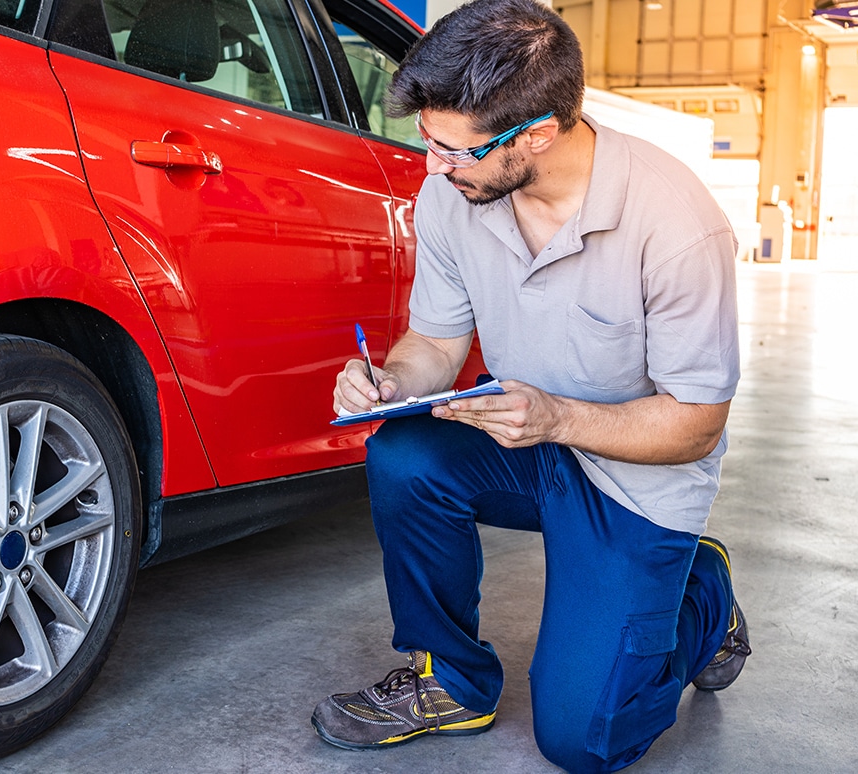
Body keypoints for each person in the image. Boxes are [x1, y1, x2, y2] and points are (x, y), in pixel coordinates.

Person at [311, 0, 751, 771]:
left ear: (538, 134)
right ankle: (451, 680)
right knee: (405, 454)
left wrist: (558, 417)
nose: (432, 167)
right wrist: (388, 381)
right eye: (428, 141)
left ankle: (703, 594)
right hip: (524, 438)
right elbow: (436, 344)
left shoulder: (676, 222)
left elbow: (695, 426)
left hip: (637, 479)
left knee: (584, 741)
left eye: (454, 150)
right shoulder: (456, 194)